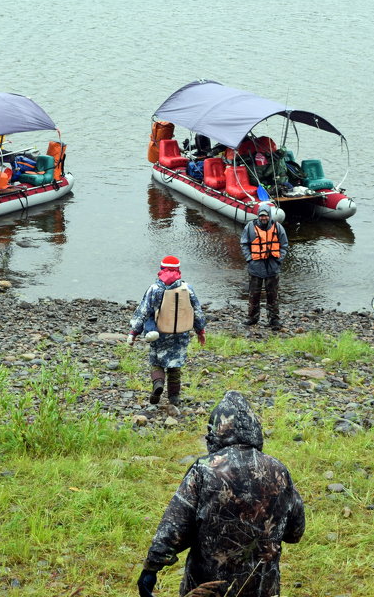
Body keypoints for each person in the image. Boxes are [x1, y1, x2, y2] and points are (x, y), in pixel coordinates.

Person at [137, 390, 305, 597]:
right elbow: (295, 532)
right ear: (254, 429)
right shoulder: (279, 470)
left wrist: (151, 568)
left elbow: (175, 527)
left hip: (208, 590)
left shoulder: (204, 470)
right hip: (263, 588)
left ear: (215, 430)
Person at [129, 255, 206, 409]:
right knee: (175, 366)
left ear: (161, 269)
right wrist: (200, 330)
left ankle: (158, 384)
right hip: (180, 334)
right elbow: (197, 311)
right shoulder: (187, 288)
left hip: (159, 333)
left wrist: (133, 332)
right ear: (179, 270)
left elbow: (143, 312)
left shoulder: (155, 289)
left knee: (156, 362)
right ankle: (174, 397)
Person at [239, 206, 288, 329]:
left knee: (273, 295)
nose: (263, 218)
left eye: (265, 215)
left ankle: (274, 320)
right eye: (261, 215)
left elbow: (284, 245)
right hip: (256, 266)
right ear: (258, 216)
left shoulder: (278, 227)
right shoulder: (250, 227)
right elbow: (244, 244)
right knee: (253, 295)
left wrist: (279, 260)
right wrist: (249, 259)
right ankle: (252, 318)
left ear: (269, 216)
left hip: (272, 266)